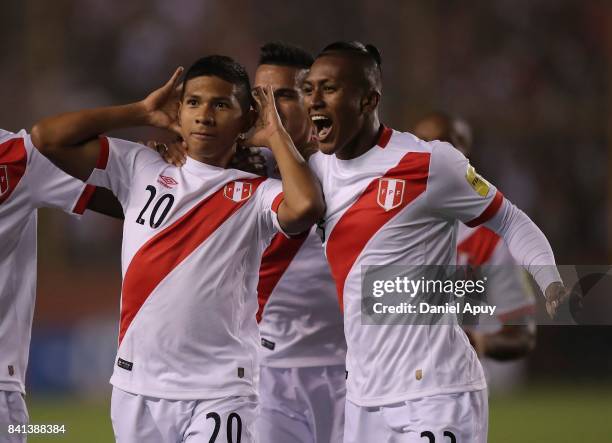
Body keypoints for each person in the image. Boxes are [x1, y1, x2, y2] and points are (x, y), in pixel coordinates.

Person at [31, 55, 324, 443]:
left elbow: (306, 206)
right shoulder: (140, 164)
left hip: (219, 390)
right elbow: (46, 137)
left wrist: (274, 133)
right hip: (136, 385)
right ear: (179, 110)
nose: (204, 115)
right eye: (193, 102)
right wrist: (138, 111)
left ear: (245, 117)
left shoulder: (255, 194)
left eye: (220, 105)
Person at [302, 41, 569, 442]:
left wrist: (548, 276)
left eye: (331, 88)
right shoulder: (315, 169)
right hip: (362, 397)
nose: (315, 100)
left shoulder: (429, 163)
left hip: (437, 392)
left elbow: (510, 220)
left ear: (368, 99)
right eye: (310, 88)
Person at [0, 128, 120, 443]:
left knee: (51, 427)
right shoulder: (19, 156)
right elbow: (120, 199)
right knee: (48, 428)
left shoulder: (20, 156)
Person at [253, 42, 346, 443]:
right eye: (262, 97)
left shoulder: (355, 174)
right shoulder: (235, 172)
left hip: (354, 375)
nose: (271, 108)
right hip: (264, 376)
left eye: (286, 95)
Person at [413, 112, 536, 362]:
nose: (430, 154)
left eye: (443, 145)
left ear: (464, 156)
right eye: (421, 143)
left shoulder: (490, 240)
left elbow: (522, 333)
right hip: (382, 388)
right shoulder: (381, 221)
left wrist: (479, 341)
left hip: (454, 392)